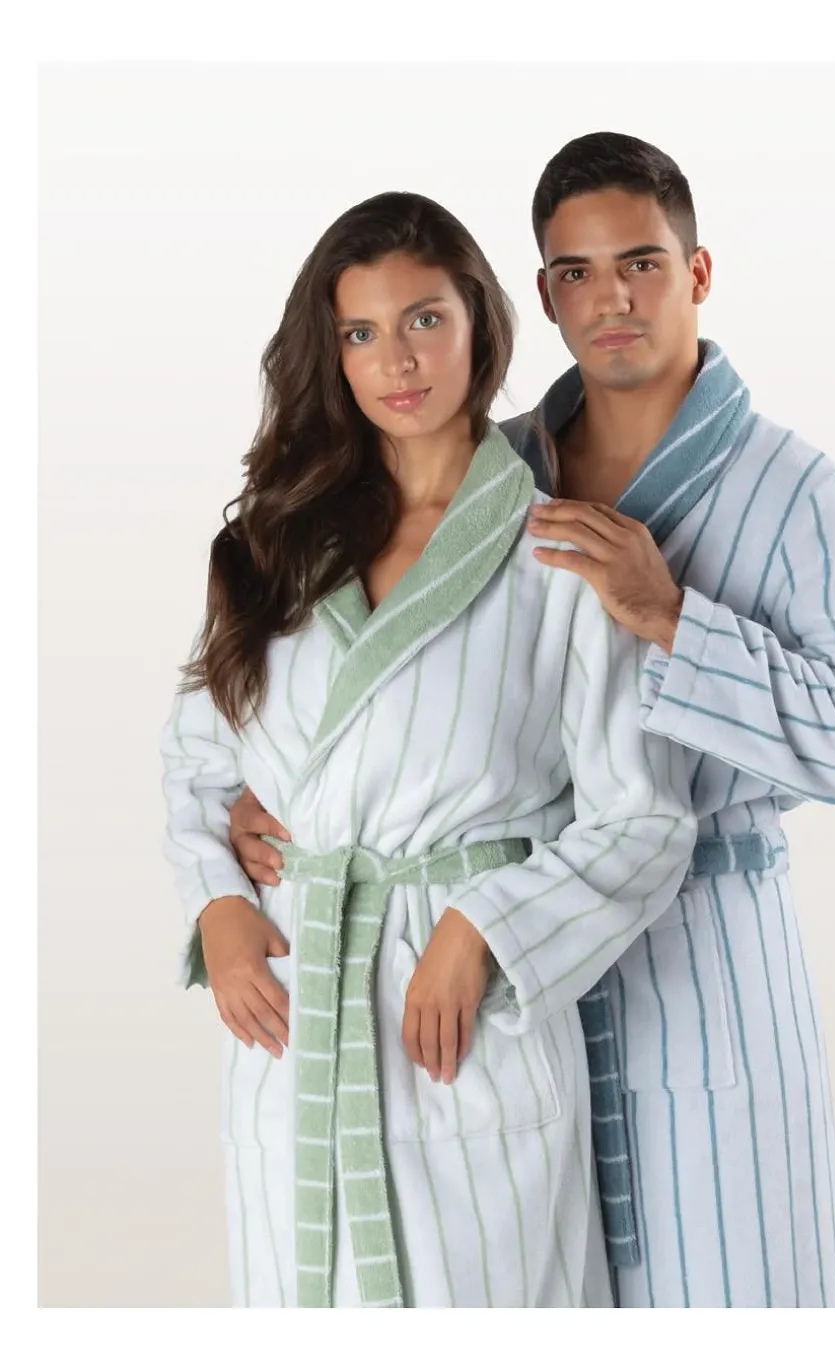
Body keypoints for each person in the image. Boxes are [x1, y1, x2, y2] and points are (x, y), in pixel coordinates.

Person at [231, 133, 835, 1309]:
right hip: (481, 991)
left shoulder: (794, 490)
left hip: (699, 965)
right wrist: (281, 794)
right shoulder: (493, 477)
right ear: (541, 296)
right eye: (576, 272)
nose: (611, 299)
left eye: (641, 263)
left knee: (728, 1297)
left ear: (697, 272)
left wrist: (675, 618)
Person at [160, 189, 698, 1309]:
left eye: (424, 320)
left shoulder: (562, 552)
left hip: (462, 1029)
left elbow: (644, 820)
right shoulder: (275, 547)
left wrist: (487, 926)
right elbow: (197, 765)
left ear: (480, 323)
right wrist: (217, 906)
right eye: (361, 333)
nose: (396, 360)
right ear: (332, 356)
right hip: (297, 1013)